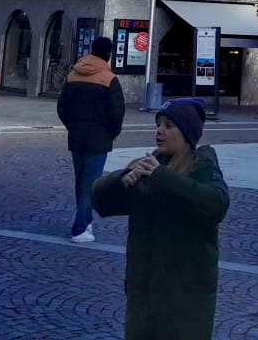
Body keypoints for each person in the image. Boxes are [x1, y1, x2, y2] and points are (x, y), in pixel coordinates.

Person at [92, 98, 230, 340]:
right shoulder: (148, 169)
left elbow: (216, 204)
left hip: (186, 302)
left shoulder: (203, 169)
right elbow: (100, 201)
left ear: (186, 133)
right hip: (143, 297)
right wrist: (122, 179)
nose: (159, 131)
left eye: (169, 126)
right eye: (158, 125)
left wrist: (161, 177)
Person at [58, 36, 126, 243]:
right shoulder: (109, 78)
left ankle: (86, 221)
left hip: (77, 137)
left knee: (81, 182)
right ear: (108, 54)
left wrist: (73, 126)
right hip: (98, 140)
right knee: (91, 183)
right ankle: (80, 228)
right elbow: (117, 112)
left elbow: (62, 107)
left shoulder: (73, 75)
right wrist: (111, 133)